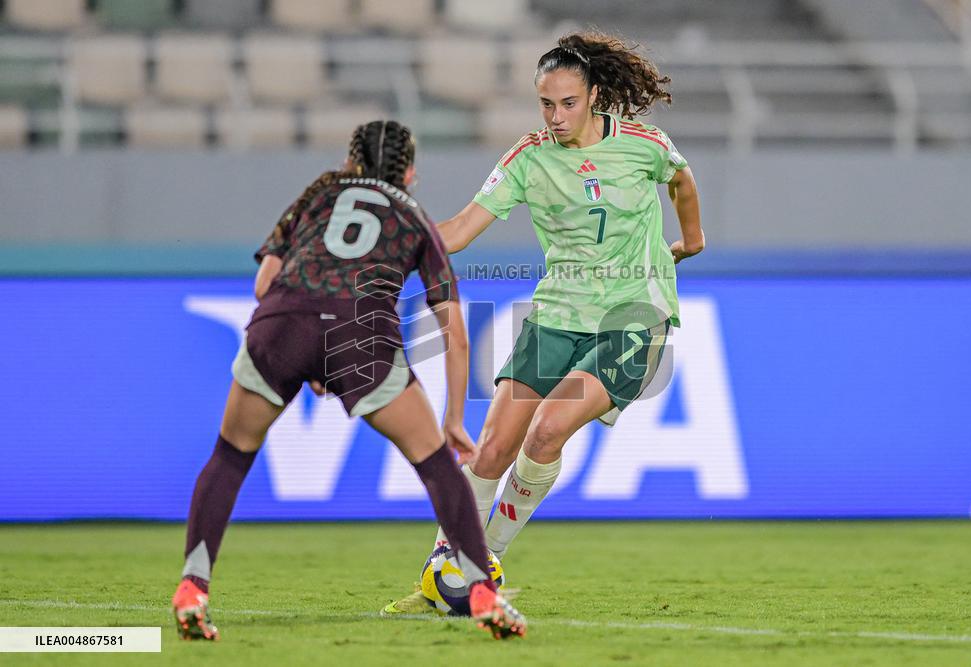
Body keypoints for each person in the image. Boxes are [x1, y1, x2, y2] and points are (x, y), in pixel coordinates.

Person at [384, 32, 704, 613]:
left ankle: (484, 560)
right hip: (557, 313)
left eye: (568, 103)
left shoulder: (644, 144)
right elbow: (459, 230)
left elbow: (681, 179)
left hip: (635, 315)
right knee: (492, 448)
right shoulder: (528, 158)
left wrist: (692, 239)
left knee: (548, 429)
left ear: (595, 96)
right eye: (546, 104)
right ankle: (441, 569)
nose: (555, 117)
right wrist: (397, 241)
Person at [171, 120, 526, 641]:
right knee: (436, 465)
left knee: (229, 457)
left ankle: (193, 587)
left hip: (283, 323)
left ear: (350, 161)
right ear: (410, 172)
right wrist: (453, 418)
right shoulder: (413, 216)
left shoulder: (317, 195)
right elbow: (453, 328)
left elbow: (265, 282)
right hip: (361, 333)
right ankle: (482, 594)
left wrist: (306, 353)